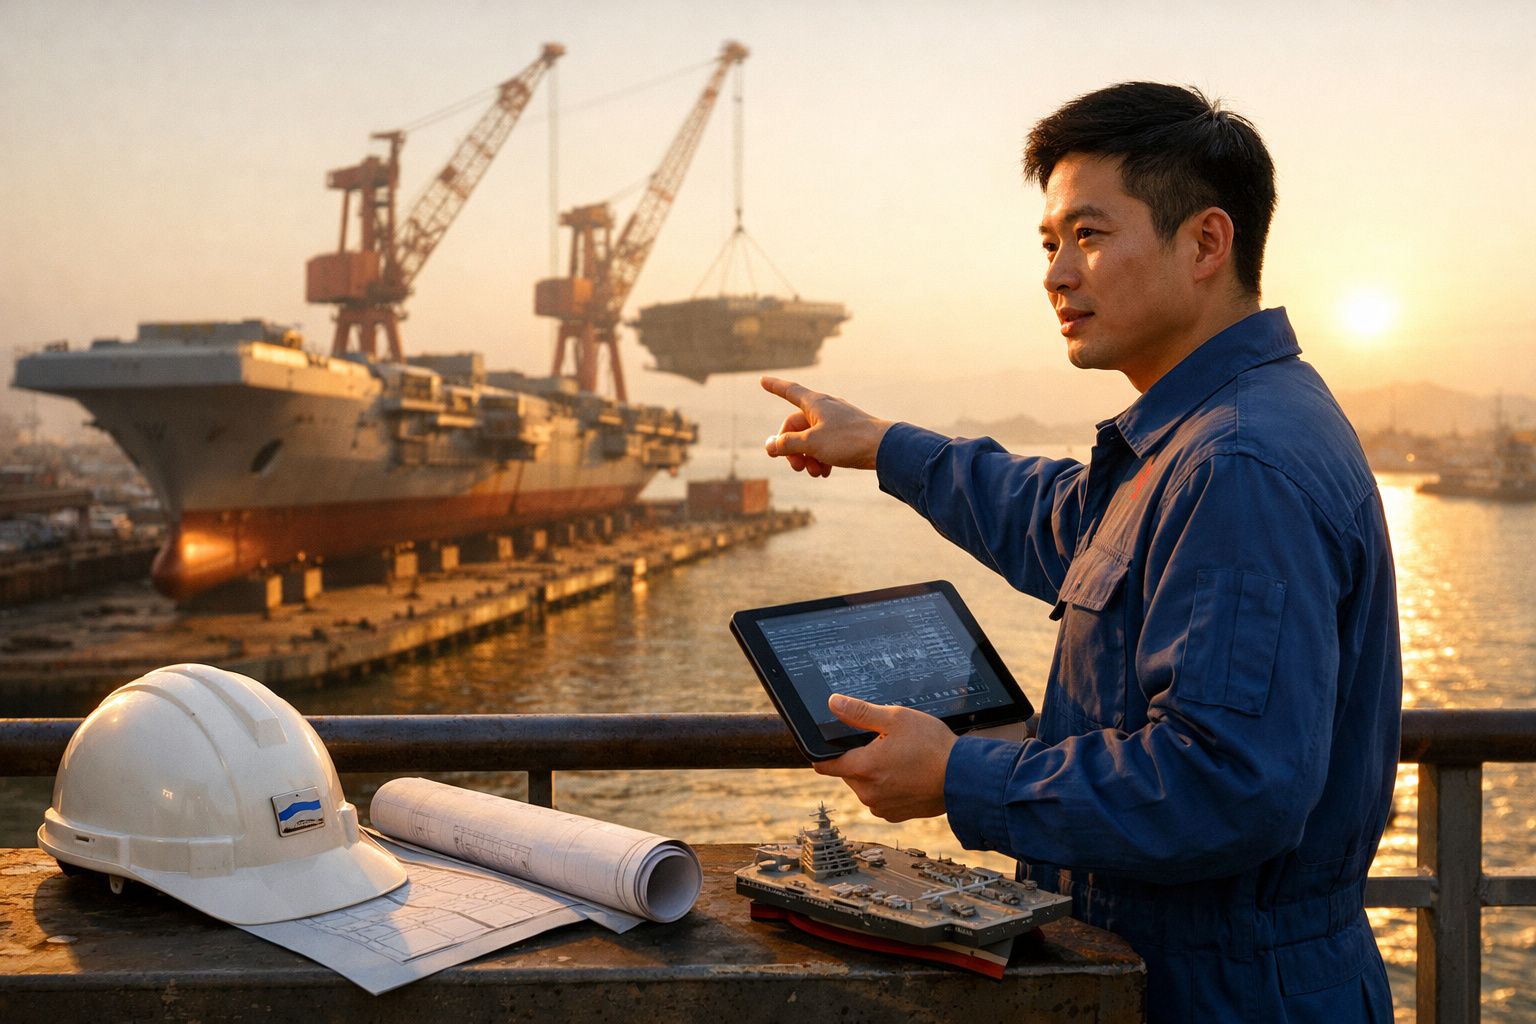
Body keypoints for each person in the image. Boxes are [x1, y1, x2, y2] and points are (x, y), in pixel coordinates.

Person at [760, 82, 1401, 1022]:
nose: (1056, 275)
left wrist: (958, 775)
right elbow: (1058, 519)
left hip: (1223, 992)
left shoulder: (1237, 462)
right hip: (1189, 970)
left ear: (1206, 244)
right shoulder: (1205, 434)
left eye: (1089, 236)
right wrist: (882, 444)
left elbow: (1227, 785)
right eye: (1049, 244)